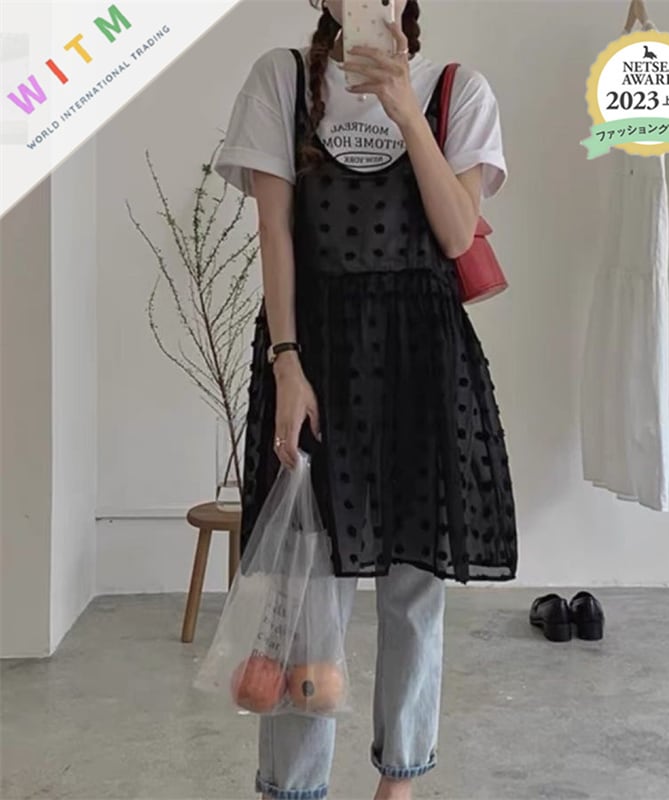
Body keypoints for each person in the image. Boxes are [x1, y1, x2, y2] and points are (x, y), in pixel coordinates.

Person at [214, 1, 518, 798]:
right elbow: (275, 234)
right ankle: (293, 788)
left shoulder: (458, 90)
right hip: (314, 351)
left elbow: (457, 234)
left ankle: (400, 783)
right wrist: (286, 363)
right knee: (306, 587)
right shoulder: (283, 80)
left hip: (422, 355)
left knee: (414, 585)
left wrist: (405, 108)